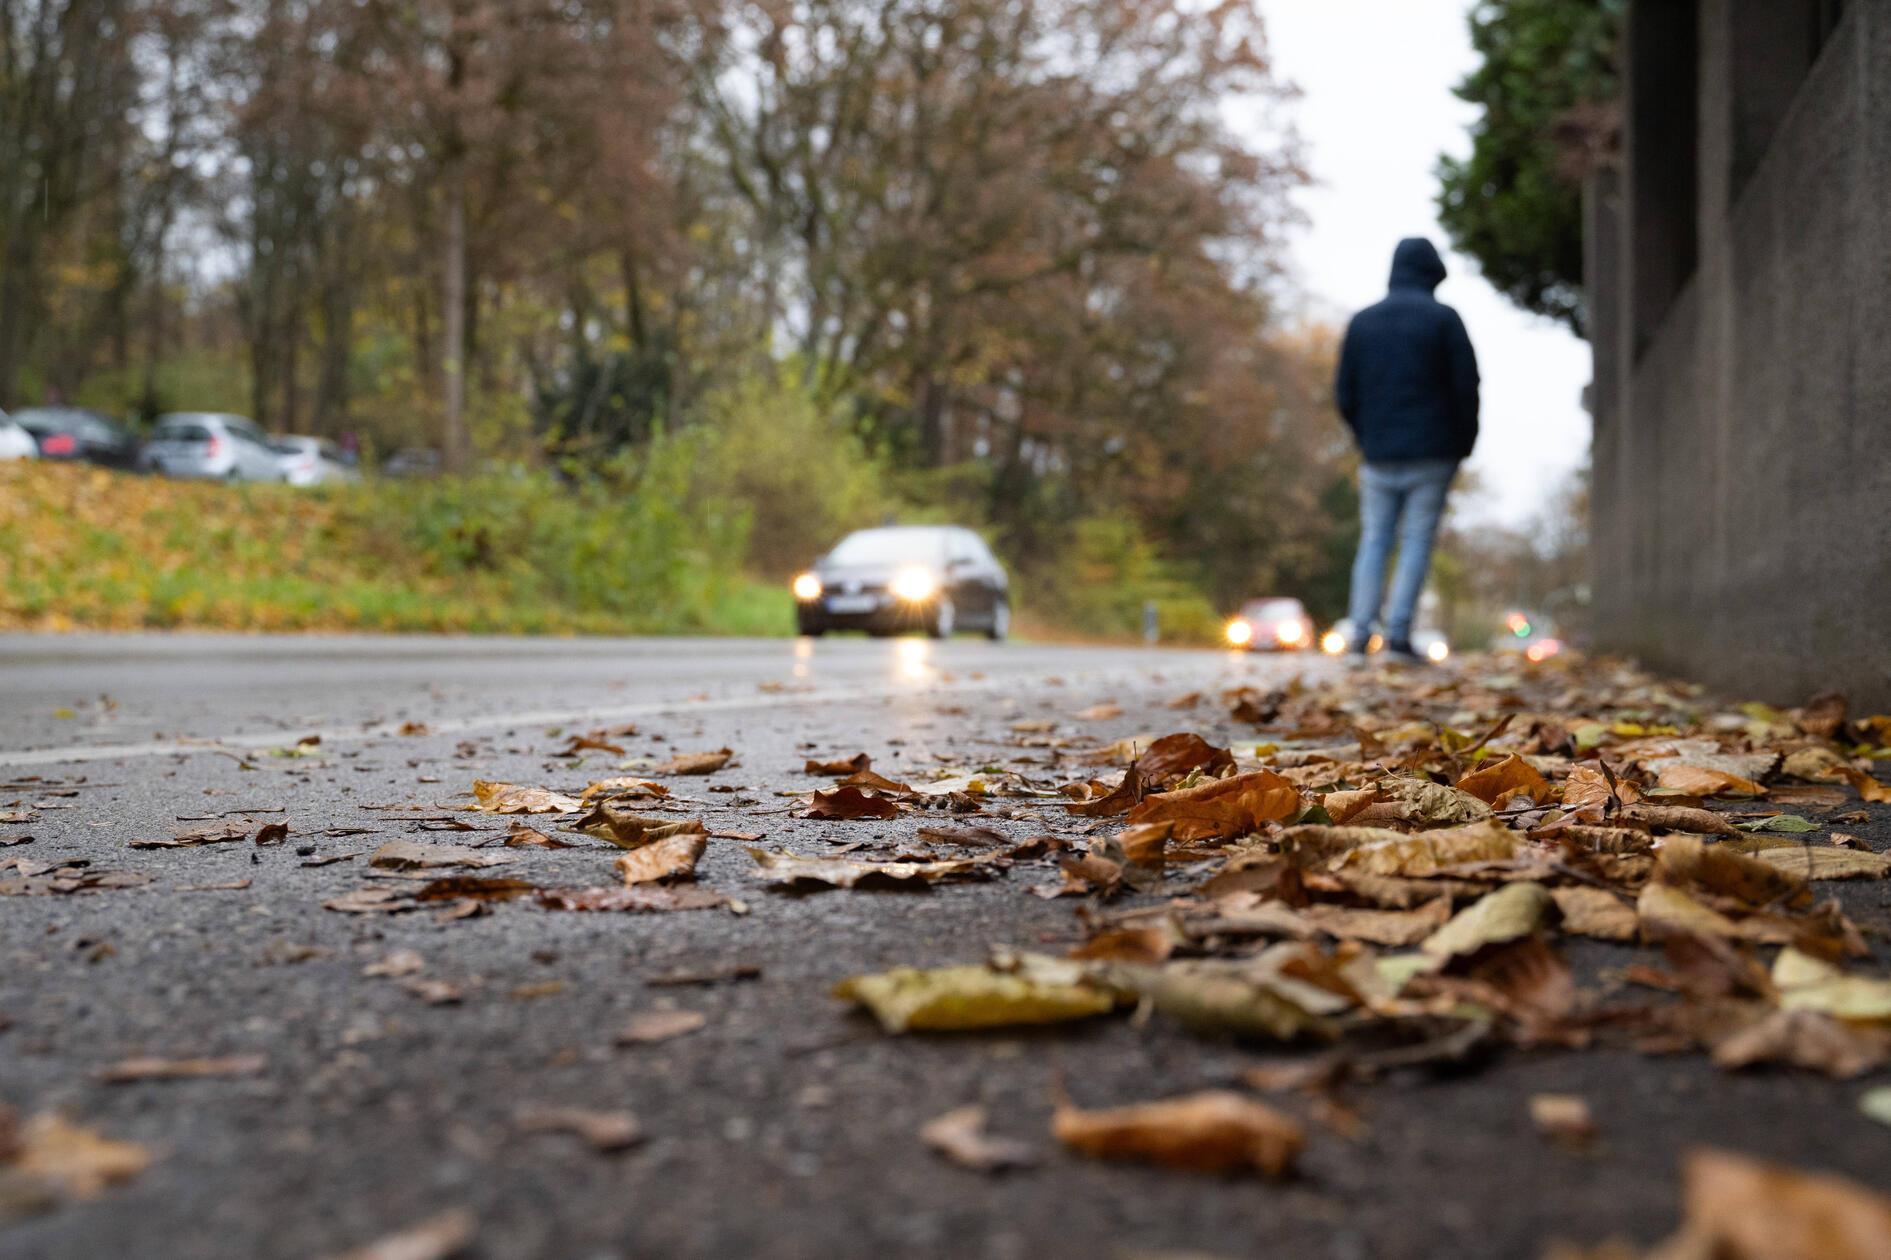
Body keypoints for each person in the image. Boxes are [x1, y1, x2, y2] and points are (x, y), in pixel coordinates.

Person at [1333, 236, 1479, 664]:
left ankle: (1359, 637)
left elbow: (1345, 392)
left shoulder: (1362, 322)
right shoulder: (1444, 320)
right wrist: (1462, 443)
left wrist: (1365, 437)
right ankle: (1398, 638)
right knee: (1416, 540)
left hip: (1378, 454)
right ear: (1433, 273)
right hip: (1434, 453)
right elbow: (1466, 388)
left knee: (1374, 539)